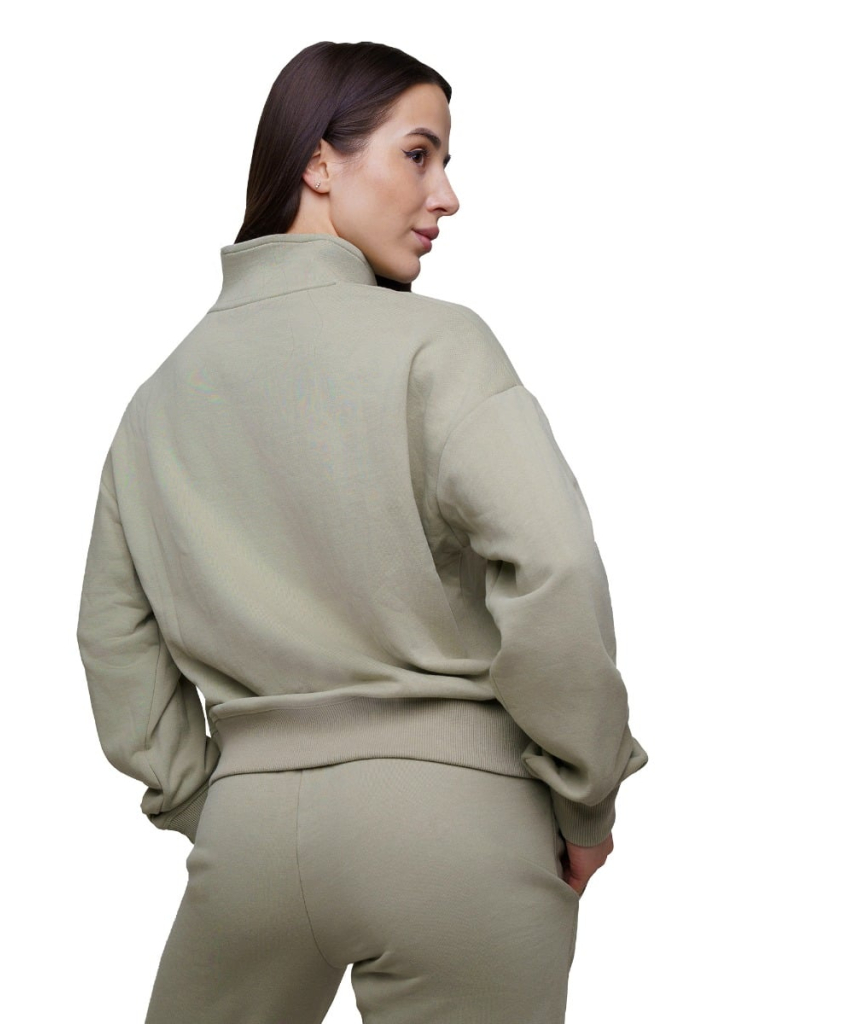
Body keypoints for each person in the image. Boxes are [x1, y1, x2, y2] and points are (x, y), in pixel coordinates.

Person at [76, 40, 648, 1024]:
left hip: (250, 841)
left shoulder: (156, 400)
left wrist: (215, 805)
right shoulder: (438, 345)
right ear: (318, 161)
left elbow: (113, 639)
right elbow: (551, 566)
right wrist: (585, 797)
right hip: (458, 825)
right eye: (418, 155)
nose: (446, 196)